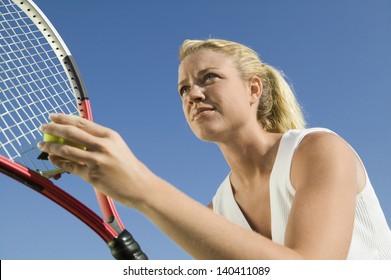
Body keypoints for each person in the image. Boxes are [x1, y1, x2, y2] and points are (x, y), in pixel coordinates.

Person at [38, 38, 391, 259]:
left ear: (254, 90)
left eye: (209, 78)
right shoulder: (217, 213)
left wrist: (143, 189)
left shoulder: (319, 150)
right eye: (183, 89)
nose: (193, 94)